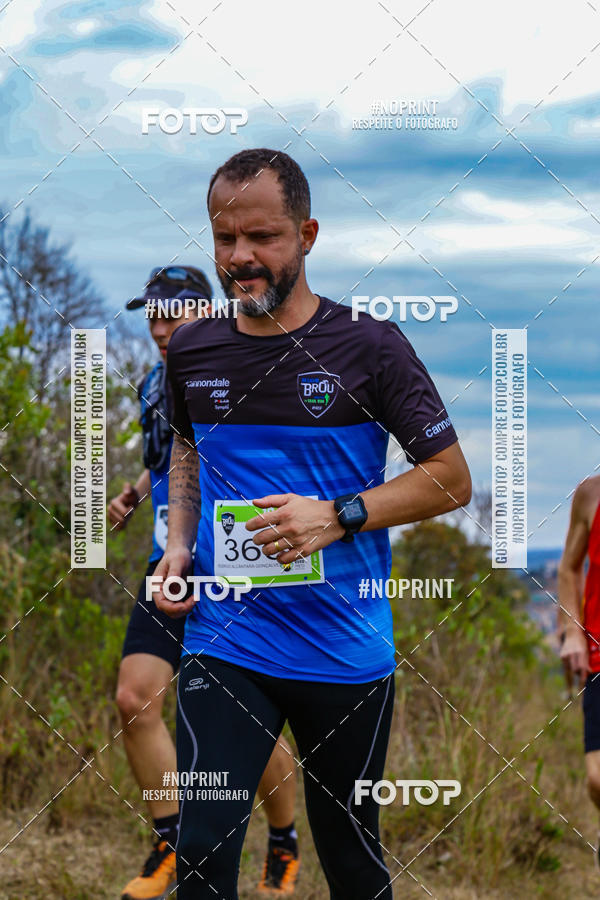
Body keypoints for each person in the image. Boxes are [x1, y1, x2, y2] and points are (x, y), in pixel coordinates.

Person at [153, 148, 472, 899]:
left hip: (344, 650)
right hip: (227, 638)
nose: (242, 258)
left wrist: (338, 515)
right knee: (202, 848)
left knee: (353, 861)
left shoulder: (370, 347)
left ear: (307, 234)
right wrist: (175, 544)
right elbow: (186, 449)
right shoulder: (195, 347)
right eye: (226, 239)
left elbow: (450, 481)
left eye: (263, 238)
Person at [109, 265, 299, 900]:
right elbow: (165, 462)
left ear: (212, 313)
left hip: (240, 572)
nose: (162, 331)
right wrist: (135, 493)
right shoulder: (150, 385)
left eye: (176, 315)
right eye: (154, 318)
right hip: (173, 562)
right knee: (135, 699)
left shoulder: (249, 373)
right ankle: (170, 841)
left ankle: (283, 840)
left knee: (250, 722)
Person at [558, 473, 600, 861]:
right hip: (599, 662)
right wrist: (572, 633)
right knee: (598, 779)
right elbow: (569, 569)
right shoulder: (591, 493)